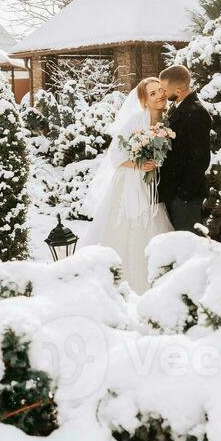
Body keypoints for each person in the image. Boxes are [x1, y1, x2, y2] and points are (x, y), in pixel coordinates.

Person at [84, 77, 174, 292]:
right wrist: (139, 164)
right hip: (131, 182)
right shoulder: (135, 121)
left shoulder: (170, 119)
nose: (159, 95)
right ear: (144, 101)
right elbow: (115, 156)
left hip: (158, 185)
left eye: (160, 90)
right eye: (152, 93)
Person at [156, 64, 211, 234]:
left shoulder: (196, 112)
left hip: (185, 197)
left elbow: (200, 158)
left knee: (189, 247)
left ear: (178, 90)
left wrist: (183, 195)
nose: (162, 94)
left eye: (164, 90)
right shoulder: (177, 107)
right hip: (173, 192)